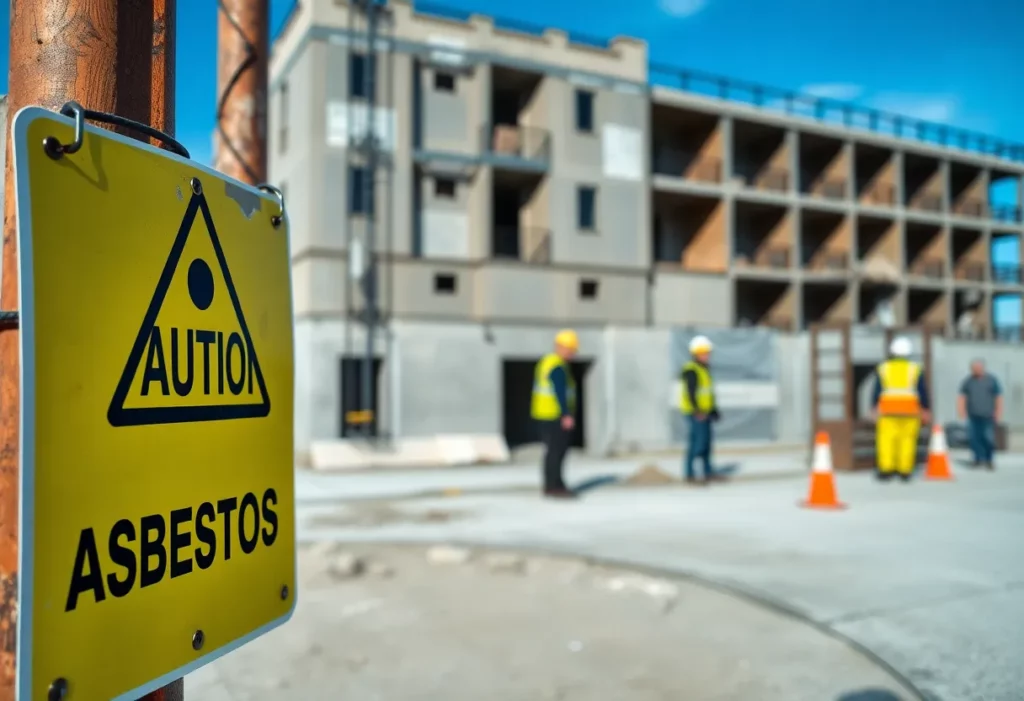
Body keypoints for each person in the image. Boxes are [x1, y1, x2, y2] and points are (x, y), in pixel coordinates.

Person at [870, 336, 931, 482]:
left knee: (886, 440)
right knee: (907, 441)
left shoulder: (884, 368)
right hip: (910, 411)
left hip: (888, 411)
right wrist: (925, 409)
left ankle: (886, 470)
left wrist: (873, 408)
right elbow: (922, 391)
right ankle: (905, 471)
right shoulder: (915, 369)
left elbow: (876, 390)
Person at [530, 329, 579, 499]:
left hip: (545, 415)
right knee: (557, 452)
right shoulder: (557, 366)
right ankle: (554, 486)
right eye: (570, 349)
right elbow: (560, 392)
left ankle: (553, 484)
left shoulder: (547, 362)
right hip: (554, 416)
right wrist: (566, 414)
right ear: (561, 347)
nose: (573, 353)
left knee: (552, 451)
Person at [680, 335, 720, 485]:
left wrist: (714, 409)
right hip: (696, 413)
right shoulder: (691, 370)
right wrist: (697, 411)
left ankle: (707, 472)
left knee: (707, 444)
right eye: (705, 353)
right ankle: (690, 474)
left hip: (706, 412)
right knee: (698, 444)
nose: (708, 356)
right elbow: (691, 392)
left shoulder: (704, 369)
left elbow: (708, 392)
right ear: (697, 353)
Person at [958, 359, 1002, 470]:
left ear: (982, 368)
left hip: (988, 415)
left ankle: (989, 459)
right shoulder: (968, 381)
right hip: (973, 415)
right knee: (974, 438)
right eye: (973, 368)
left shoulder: (992, 380)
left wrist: (998, 411)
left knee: (988, 438)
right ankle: (977, 459)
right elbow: (962, 397)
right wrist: (961, 411)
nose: (975, 370)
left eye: (978, 368)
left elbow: (998, 397)